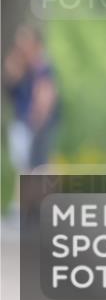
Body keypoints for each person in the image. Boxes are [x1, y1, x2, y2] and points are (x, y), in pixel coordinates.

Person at [3, 23, 61, 218]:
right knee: (27, 164)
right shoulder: (21, 65)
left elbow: (46, 95)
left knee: (37, 165)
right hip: (23, 121)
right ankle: (27, 207)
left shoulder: (42, 66)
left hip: (37, 123)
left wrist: (38, 119)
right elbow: (10, 85)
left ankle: (33, 207)